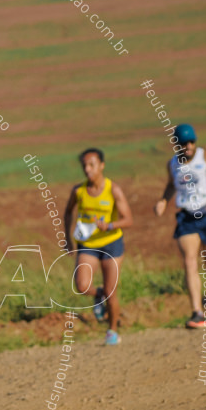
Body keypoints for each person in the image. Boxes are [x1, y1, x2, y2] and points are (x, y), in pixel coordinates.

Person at [153, 123, 206, 329]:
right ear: (176, 144)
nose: (188, 146)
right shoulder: (172, 164)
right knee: (190, 261)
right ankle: (197, 312)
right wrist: (163, 200)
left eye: (191, 142)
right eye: (183, 143)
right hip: (187, 218)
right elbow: (172, 184)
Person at [63, 148, 133, 346]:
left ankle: (112, 330)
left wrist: (110, 225)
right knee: (82, 286)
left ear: (102, 165)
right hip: (88, 244)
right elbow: (67, 213)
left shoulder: (113, 190)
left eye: (92, 165)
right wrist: (68, 239)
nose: (87, 169)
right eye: (84, 165)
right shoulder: (79, 191)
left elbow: (129, 219)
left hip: (112, 244)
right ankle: (99, 294)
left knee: (113, 293)